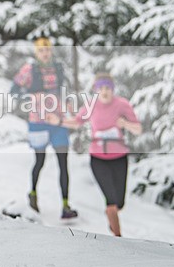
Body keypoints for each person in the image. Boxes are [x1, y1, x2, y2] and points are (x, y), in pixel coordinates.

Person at [55, 73, 142, 236]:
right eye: (101, 88)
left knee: (119, 202)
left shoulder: (122, 105)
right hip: (98, 159)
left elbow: (138, 129)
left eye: (108, 88)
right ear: (96, 90)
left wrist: (125, 123)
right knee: (111, 202)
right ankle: (118, 237)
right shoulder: (91, 105)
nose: (104, 91)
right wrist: (59, 122)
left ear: (113, 89)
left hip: (119, 158)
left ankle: (112, 217)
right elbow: (77, 122)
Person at [10, 37, 78, 219]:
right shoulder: (29, 69)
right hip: (38, 121)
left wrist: (70, 108)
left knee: (63, 163)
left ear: (51, 50)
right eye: (41, 50)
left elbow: (65, 91)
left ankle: (65, 205)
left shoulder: (58, 68)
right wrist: (32, 97)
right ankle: (32, 195)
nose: (45, 53)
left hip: (58, 121)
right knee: (39, 161)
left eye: (47, 49)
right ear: (36, 52)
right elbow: (14, 91)